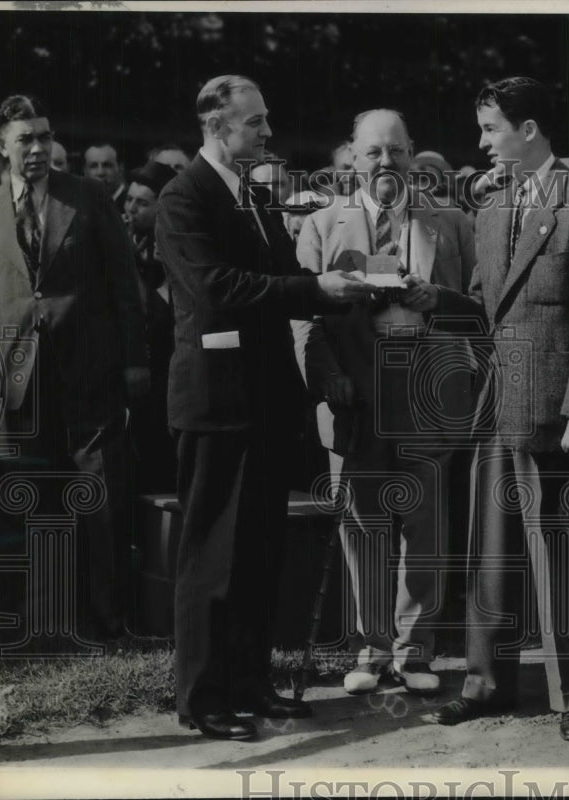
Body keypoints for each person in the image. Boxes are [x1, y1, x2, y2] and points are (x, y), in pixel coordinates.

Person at [155, 74, 373, 742]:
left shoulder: (252, 192)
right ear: (218, 126)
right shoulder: (182, 196)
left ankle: (250, 682)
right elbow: (218, 288)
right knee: (211, 556)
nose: (269, 132)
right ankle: (202, 697)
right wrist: (313, 286)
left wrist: (344, 288)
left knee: (258, 551)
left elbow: (281, 277)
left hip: (266, 399)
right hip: (216, 401)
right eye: (256, 123)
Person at [427, 77, 569, 743]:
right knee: (489, 554)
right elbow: (485, 302)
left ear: (530, 129)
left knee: (559, 557)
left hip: (552, 413)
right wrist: (421, 297)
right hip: (495, 406)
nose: (481, 143)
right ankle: (485, 683)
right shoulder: (492, 208)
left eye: (490, 129)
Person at [294, 109, 477, 698]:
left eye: (396, 151)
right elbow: (303, 318)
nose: (385, 163)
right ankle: (368, 650)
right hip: (354, 391)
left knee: (424, 523)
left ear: (411, 153)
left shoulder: (450, 222)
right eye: (373, 152)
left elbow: (481, 307)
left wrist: (439, 298)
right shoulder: (321, 225)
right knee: (362, 521)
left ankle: (415, 651)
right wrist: (326, 378)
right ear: (351, 155)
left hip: (426, 386)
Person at [0, 94, 148, 639]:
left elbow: (126, 286)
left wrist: (133, 363)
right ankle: (39, 622)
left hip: (90, 372)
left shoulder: (90, 197)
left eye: (44, 136)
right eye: (24, 139)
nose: (36, 148)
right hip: (20, 377)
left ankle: (106, 620)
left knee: (98, 495)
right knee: (28, 496)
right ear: (1, 145)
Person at [123, 160, 178, 493]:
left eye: (142, 203)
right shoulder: (126, 243)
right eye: (129, 200)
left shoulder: (171, 246)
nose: (131, 209)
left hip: (164, 378)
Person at [83, 142, 127, 215]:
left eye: (107, 165)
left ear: (121, 168)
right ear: (84, 171)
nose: (100, 172)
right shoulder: (78, 203)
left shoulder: (130, 204)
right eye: (93, 166)